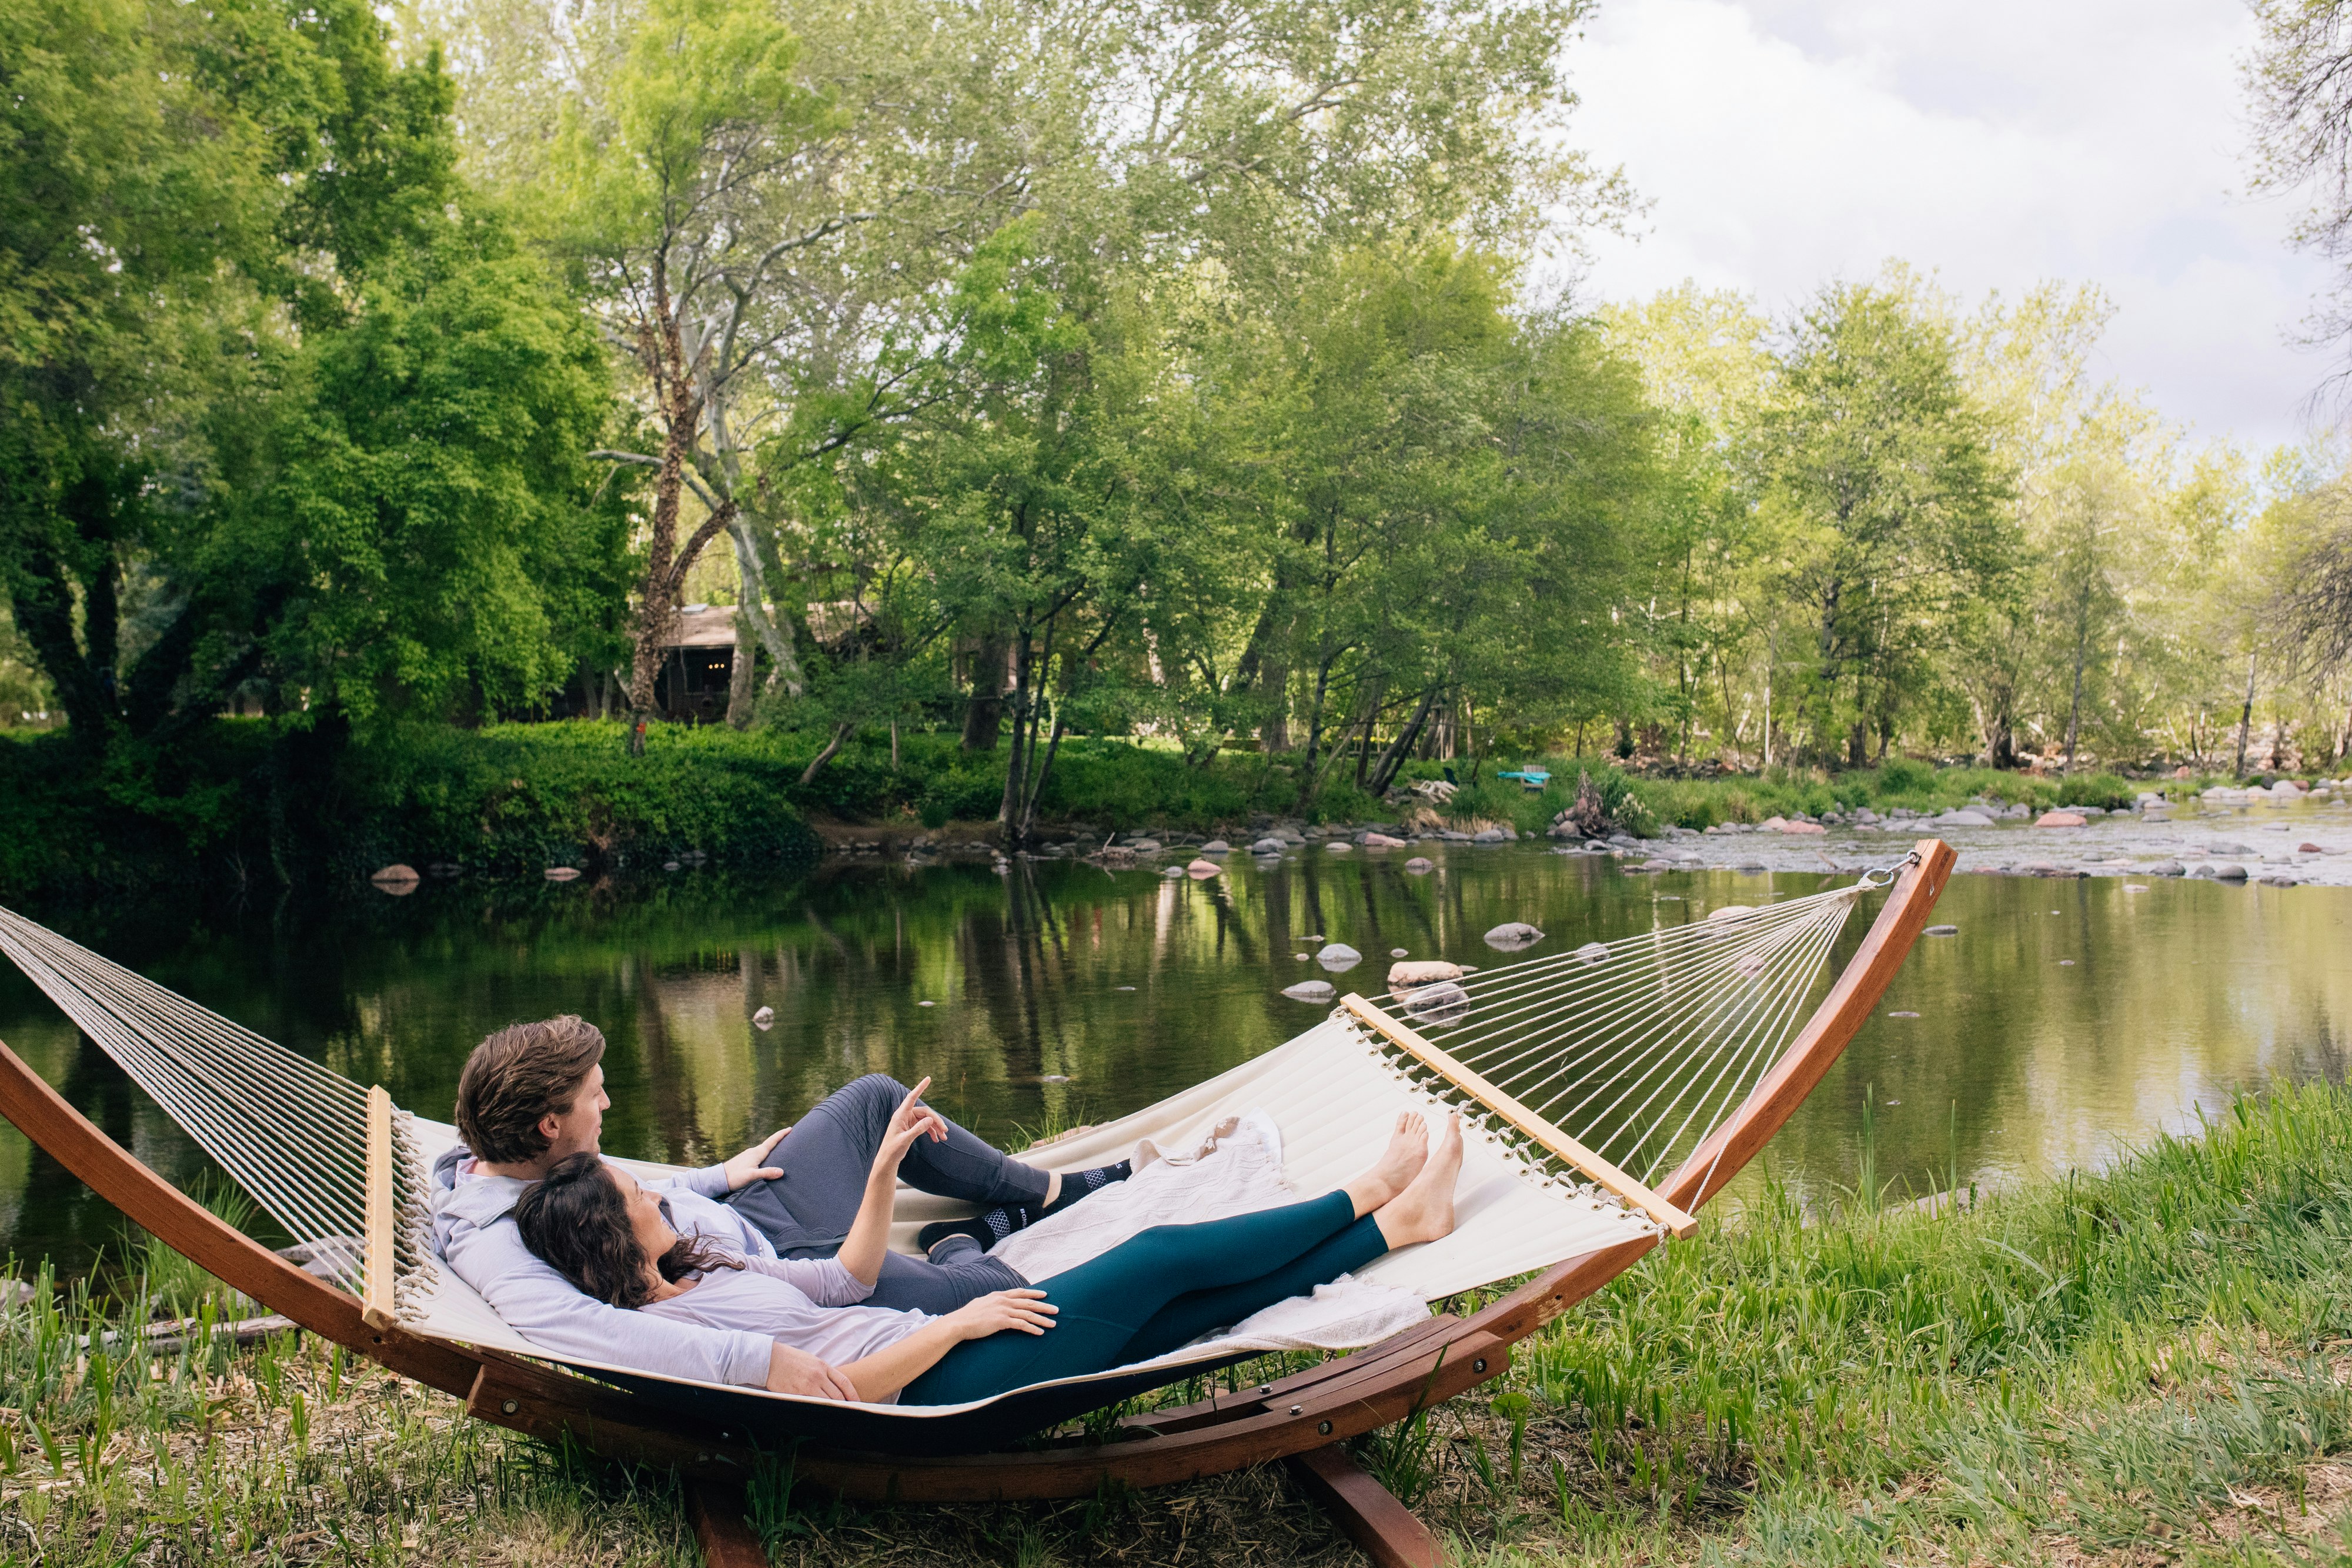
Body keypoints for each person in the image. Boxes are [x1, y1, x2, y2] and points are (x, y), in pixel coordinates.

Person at [513, 1078, 1464, 1406]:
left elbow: (844, 1282)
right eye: (636, 1189)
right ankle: (1372, 1191)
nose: (654, 1186)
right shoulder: (683, 1330)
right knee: (1165, 1258)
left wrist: (882, 1174)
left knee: (1166, 1317)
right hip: (946, 1377)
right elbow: (850, 1388)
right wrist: (960, 1323)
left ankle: (1397, 1222)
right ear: (609, 1233)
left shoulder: (703, 1260)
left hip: (944, 1344)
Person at [428, 1015, 1132, 1400]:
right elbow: (593, 1332)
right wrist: (759, 1359)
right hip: (788, 1280)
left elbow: (643, 1202)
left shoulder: (549, 1162)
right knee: (997, 1291)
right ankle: (959, 1245)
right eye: (594, 1096)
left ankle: (1045, 1190)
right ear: (549, 1125)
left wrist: (714, 1178)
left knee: (878, 1098)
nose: (607, 1104)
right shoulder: (492, 1239)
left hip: (751, 1218)